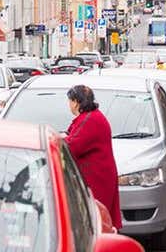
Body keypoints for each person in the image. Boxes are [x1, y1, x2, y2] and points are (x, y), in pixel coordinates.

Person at [64, 85, 122, 229]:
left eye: (70, 101)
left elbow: (72, 147)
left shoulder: (90, 120)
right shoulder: (92, 116)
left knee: (95, 220)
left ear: (76, 102)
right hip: (98, 174)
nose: (69, 105)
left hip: (96, 178)